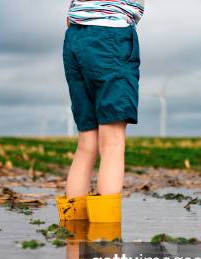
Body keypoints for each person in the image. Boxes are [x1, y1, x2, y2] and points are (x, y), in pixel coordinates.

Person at [57, 0, 144, 223]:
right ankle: (106, 240)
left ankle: (74, 240)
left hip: (75, 36)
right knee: (112, 142)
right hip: (110, 37)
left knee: (87, 142)